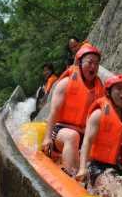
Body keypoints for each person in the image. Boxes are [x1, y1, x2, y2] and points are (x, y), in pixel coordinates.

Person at [76, 74, 122, 193]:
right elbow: (87, 142)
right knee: (111, 190)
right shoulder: (98, 114)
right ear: (109, 92)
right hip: (98, 166)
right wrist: (82, 168)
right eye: (119, 88)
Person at [42, 44, 104, 174]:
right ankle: (71, 177)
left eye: (97, 64)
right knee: (72, 136)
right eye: (90, 62)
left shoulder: (100, 90)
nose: (94, 66)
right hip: (60, 132)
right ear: (80, 63)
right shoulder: (66, 83)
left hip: (84, 136)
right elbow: (54, 112)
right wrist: (47, 138)